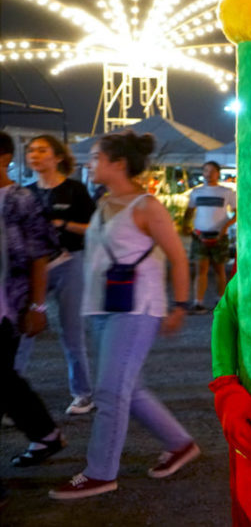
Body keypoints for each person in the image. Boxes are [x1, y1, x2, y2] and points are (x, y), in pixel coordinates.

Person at [49, 131, 198, 500]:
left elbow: (179, 257)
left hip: (135, 310)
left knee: (110, 391)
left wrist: (179, 306)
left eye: (97, 157)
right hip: (103, 308)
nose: (89, 162)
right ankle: (180, 444)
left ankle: (101, 473)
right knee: (129, 389)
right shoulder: (104, 203)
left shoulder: (147, 206)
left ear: (118, 163)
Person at [14, 134, 97, 416]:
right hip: (36, 267)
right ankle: (11, 397)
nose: (34, 155)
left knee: (71, 331)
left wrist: (64, 224)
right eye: (31, 150)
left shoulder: (75, 190)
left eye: (42, 150)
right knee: (23, 329)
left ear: (58, 157)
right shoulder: (24, 193)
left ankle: (83, 394)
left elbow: (95, 229)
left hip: (70, 262)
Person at [0, 130, 67, 468]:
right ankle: (45, 433)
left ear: (4, 159)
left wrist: (37, 307)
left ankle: (45, 433)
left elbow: (39, 257)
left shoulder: (20, 200)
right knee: (5, 380)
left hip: (7, 310)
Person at [181, 161, 237, 314]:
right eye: (205, 170)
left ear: (218, 173)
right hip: (200, 235)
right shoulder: (196, 192)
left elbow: (236, 213)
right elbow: (189, 211)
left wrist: (225, 227)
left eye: (212, 171)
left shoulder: (226, 192)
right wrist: (186, 226)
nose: (208, 174)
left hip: (220, 236)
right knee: (200, 269)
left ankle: (221, 300)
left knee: (219, 269)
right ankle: (198, 302)